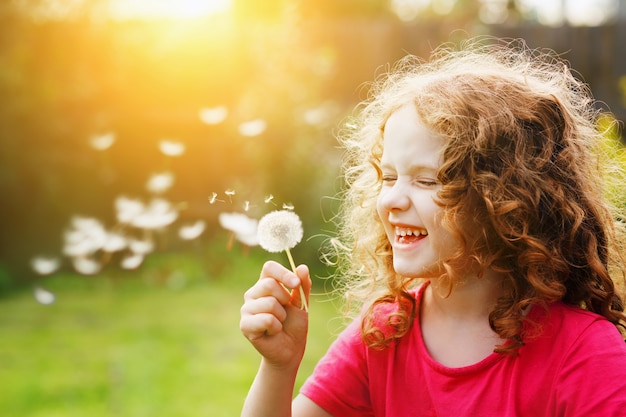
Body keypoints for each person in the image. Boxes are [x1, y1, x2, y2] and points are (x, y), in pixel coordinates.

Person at [239, 38, 626, 416]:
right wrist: (279, 367)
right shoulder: (384, 332)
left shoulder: (584, 353)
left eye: (427, 181)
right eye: (388, 178)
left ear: (510, 200)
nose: (392, 200)